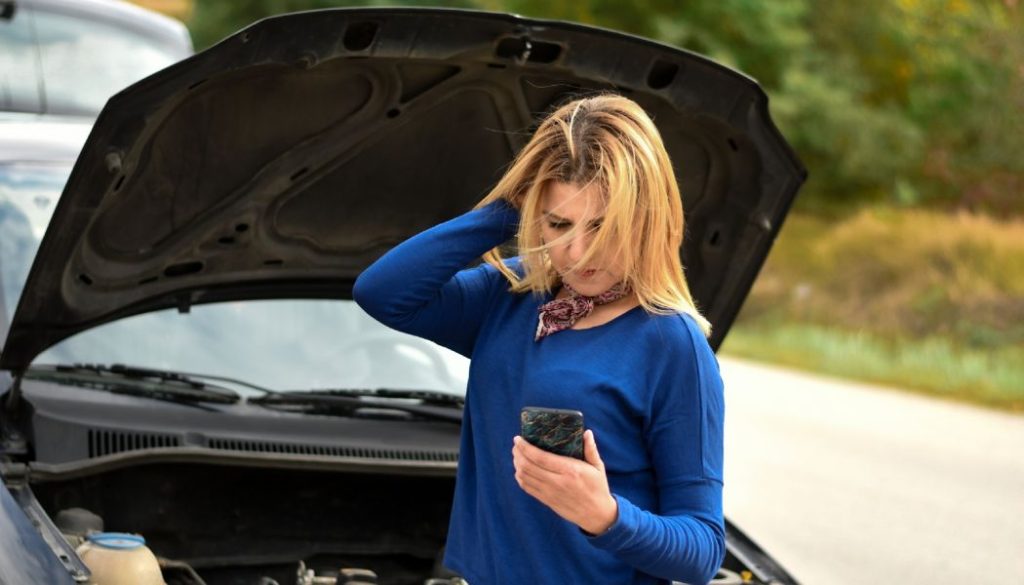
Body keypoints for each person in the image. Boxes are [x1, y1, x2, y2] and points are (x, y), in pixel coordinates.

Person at [353, 93, 725, 585]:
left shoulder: (671, 343)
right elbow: (382, 293)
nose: (578, 251)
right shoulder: (511, 293)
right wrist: (513, 205)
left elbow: (702, 550)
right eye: (559, 223)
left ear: (646, 219)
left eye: (603, 225)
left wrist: (605, 515)